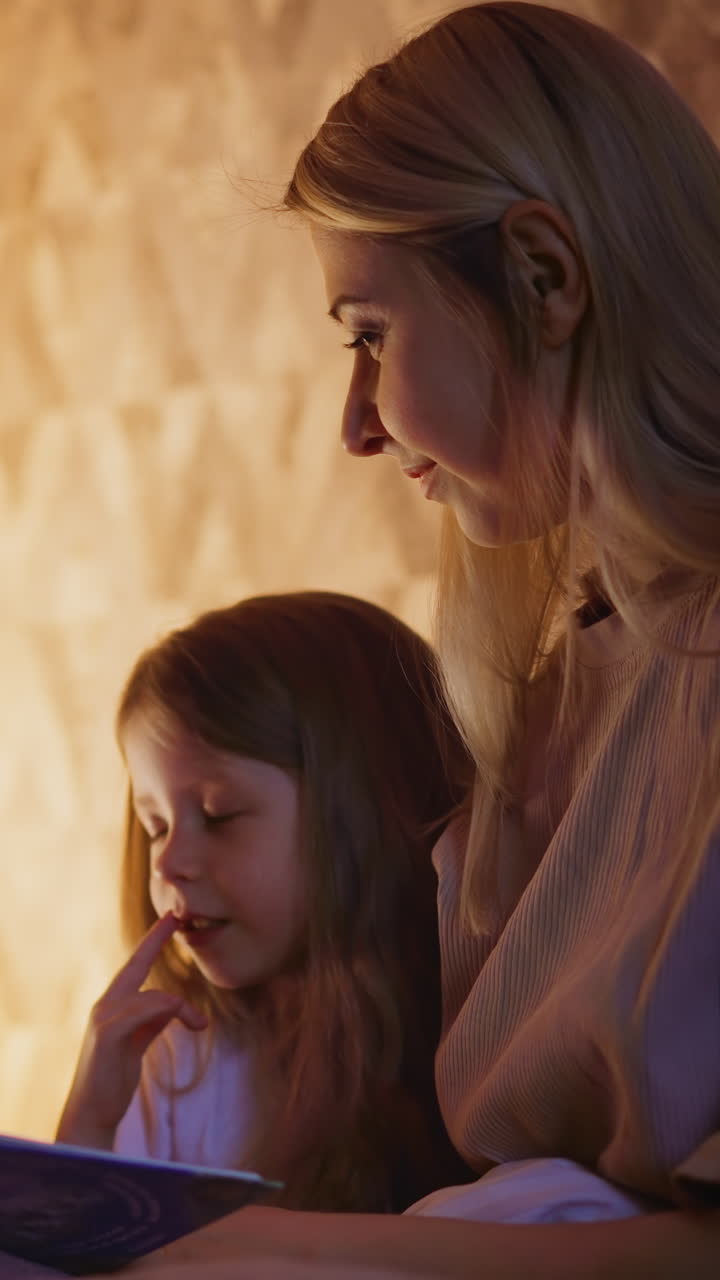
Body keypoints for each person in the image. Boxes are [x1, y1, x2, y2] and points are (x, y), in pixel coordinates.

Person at [20, 2, 720, 1276]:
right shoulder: (548, 702)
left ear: (545, 280)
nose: (355, 424)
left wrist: (260, 1247)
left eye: (370, 336)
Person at [55, 590, 473, 1213]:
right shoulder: (178, 1065)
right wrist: (88, 1121)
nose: (169, 862)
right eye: (155, 825)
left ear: (361, 815)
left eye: (219, 816)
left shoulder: (481, 1043)